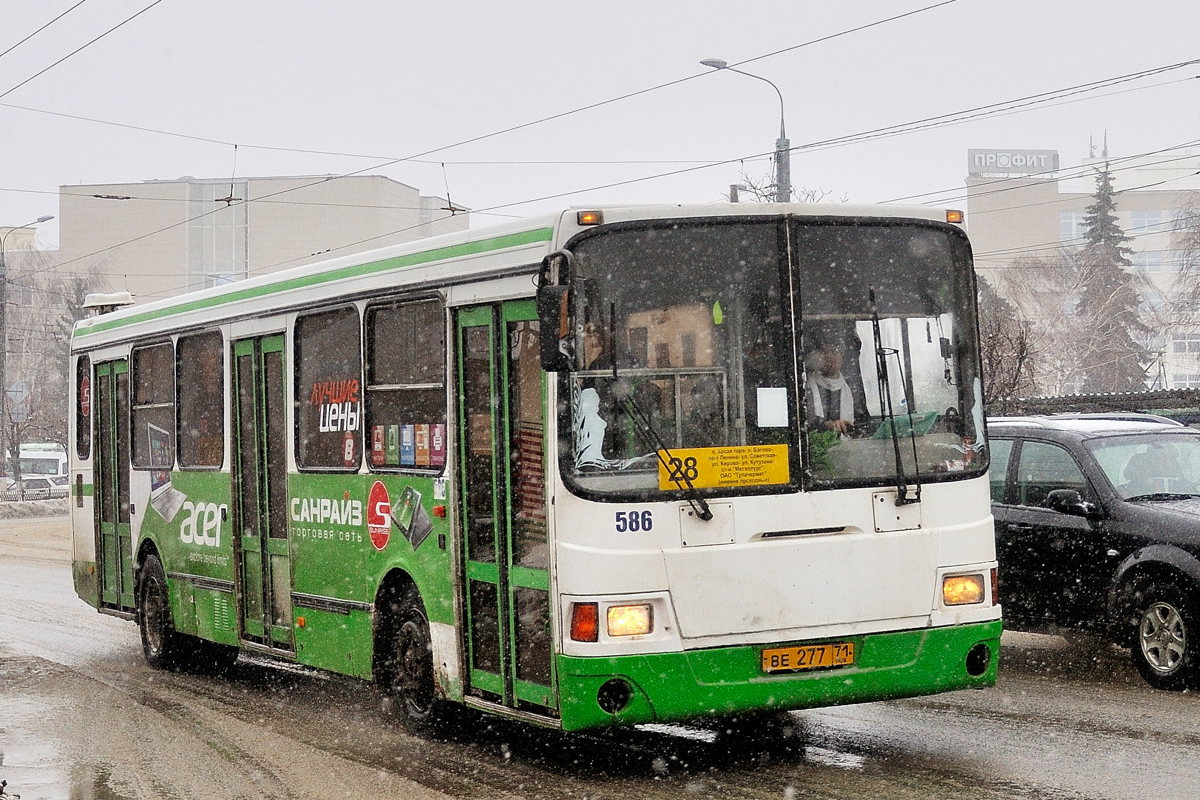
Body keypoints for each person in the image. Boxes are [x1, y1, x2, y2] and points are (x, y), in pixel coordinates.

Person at [806, 342, 858, 434]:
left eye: (834, 352)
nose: (829, 357)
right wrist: (825, 427)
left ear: (842, 357)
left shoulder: (853, 390)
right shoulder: (805, 387)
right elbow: (805, 425)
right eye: (825, 352)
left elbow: (860, 427)